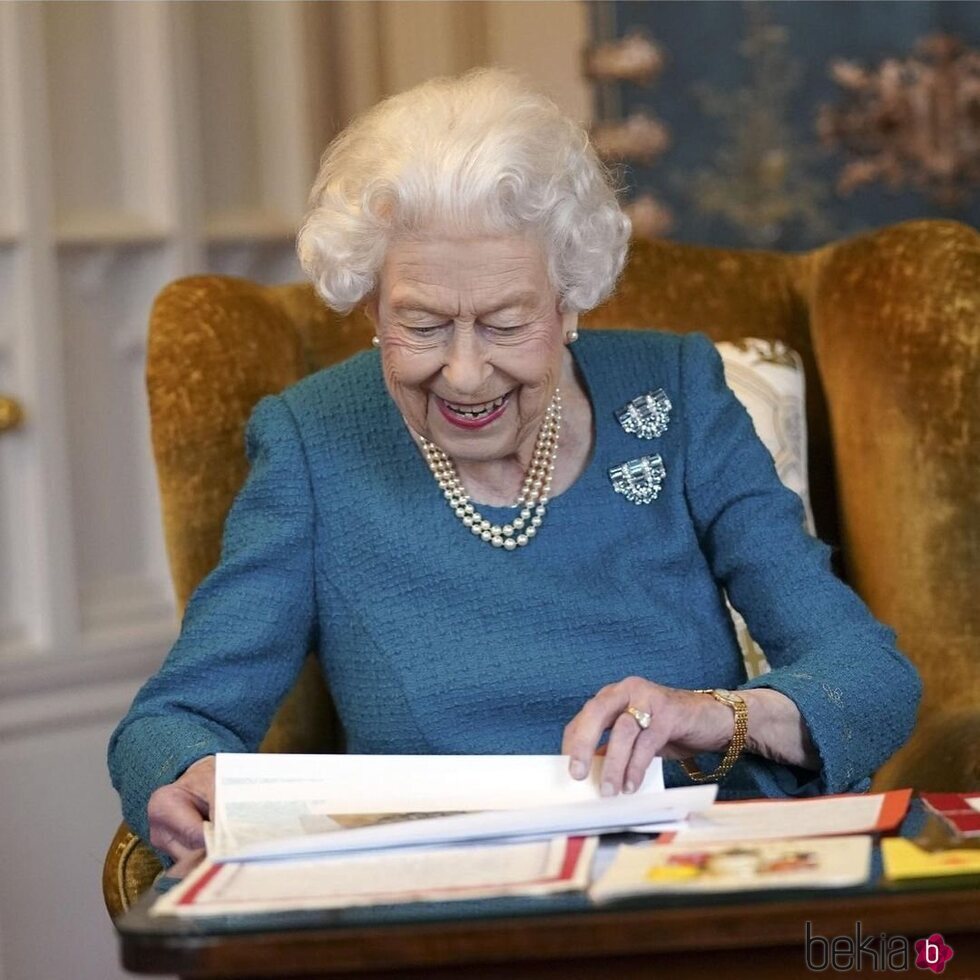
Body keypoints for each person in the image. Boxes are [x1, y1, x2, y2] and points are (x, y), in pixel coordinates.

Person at [108, 68, 921, 873]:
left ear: (568, 301)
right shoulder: (314, 441)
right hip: (446, 901)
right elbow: (174, 719)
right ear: (371, 309)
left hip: (690, 879)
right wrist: (186, 775)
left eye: (505, 323)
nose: (465, 374)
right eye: (423, 325)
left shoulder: (674, 393)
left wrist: (717, 715)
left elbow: (870, 677)